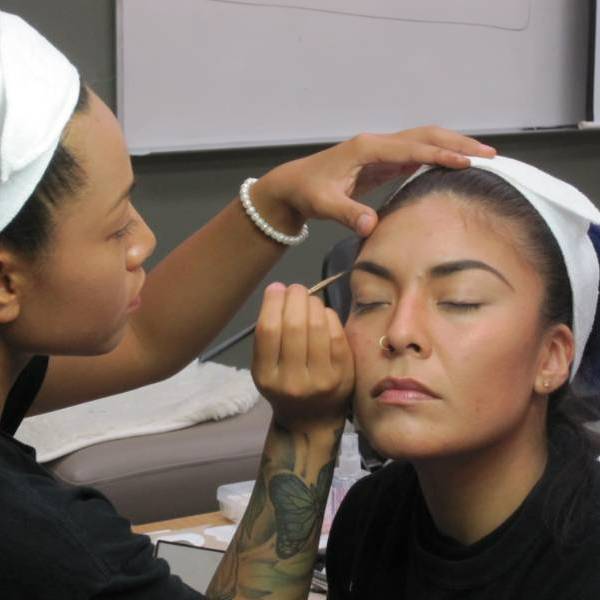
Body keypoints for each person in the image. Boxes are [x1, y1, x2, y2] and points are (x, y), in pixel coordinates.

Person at [0, 11, 496, 599]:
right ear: (7, 284)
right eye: (115, 230)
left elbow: (147, 339)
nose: (145, 241)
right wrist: (305, 432)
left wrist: (280, 199)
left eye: (459, 300)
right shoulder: (46, 546)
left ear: (555, 352)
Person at [316, 157, 600, 598]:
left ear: (551, 358)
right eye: (370, 301)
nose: (400, 333)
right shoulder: (370, 516)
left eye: (459, 301)